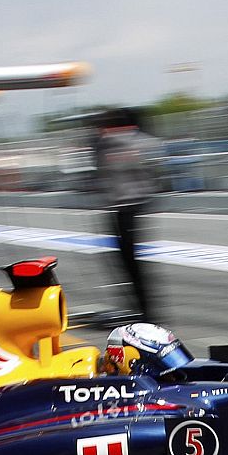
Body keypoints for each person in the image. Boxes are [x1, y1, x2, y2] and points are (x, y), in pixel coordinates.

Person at [93, 108, 160, 320]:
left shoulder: (106, 144)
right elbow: (154, 169)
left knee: (128, 265)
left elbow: (99, 168)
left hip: (121, 208)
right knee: (134, 265)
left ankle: (144, 312)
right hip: (138, 205)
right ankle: (145, 310)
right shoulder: (145, 142)